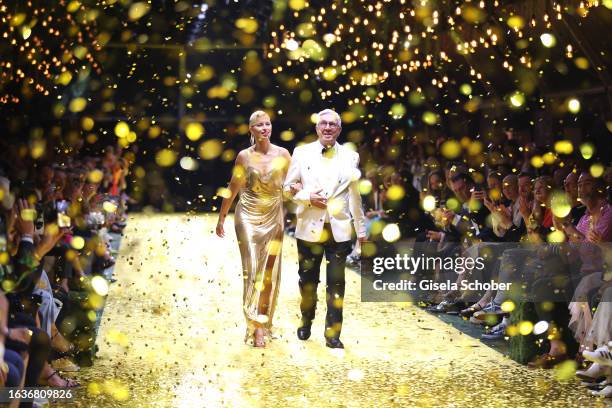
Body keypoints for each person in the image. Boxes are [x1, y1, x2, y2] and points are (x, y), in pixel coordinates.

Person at [284, 108, 366, 349]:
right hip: (309, 229)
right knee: (307, 282)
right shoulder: (301, 152)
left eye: (333, 124)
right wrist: (308, 197)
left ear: (339, 129)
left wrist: (361, 231)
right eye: (324, 124)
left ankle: (333, 333)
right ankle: (306, 318)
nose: (328, 128)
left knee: (337, 284)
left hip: (338, 229)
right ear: (317, 128)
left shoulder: (351, 156)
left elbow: (355, 196)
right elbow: (288, 188)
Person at [216, 111, 292, 348]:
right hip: (247, 215)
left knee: (268, 273)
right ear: (251, 130)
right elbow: (234, 186)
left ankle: (263, 323)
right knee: (251, 270)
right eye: (259, 125)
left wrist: (299, 194)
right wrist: (221, 217)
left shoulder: (283, 154)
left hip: (274, 215)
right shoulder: (243, 156)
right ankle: (253, 322)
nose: (264, 128)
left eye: (267, 124)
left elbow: (291, 187)